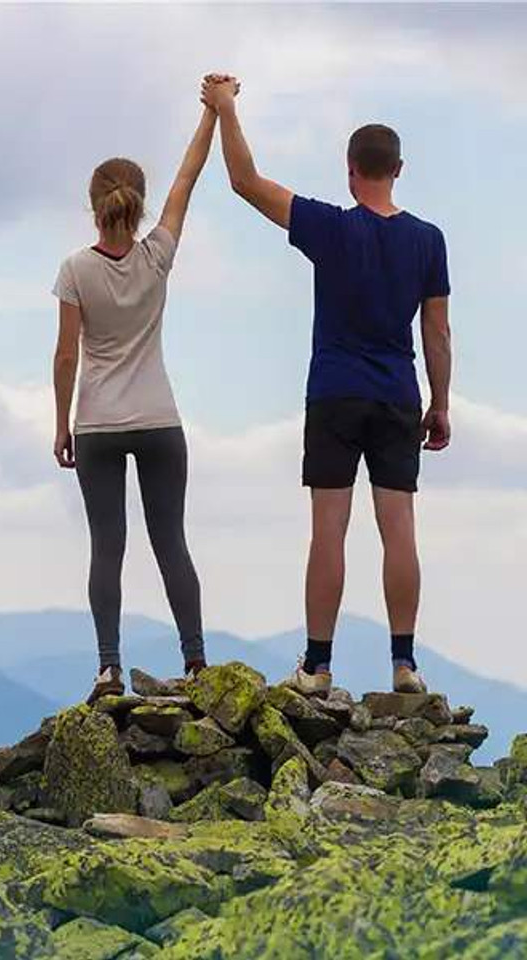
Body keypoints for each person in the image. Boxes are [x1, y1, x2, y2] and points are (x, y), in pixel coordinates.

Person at [201, 74, 452, 696]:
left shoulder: (330, 227)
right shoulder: (428, 241)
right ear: (399, 169)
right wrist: (441, 403)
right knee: (399, 527)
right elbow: (438, 334)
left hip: (335, 390)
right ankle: (404, 664)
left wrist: (227, 108)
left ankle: (316, 665)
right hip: (398, 392)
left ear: (349, 170)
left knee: (328, 529)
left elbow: (244, 181)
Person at [53, 94, 220, 702]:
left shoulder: (75, 268)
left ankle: (108, 668)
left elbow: (67, 354)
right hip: (158, 420)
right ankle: (198, 662)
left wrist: (61, 424)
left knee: (108, 544)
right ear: (139, 203)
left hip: (97, 422)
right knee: (170, 539)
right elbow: (188, 177)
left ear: (92, 205)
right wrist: (212, 114)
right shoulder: (158, 256)